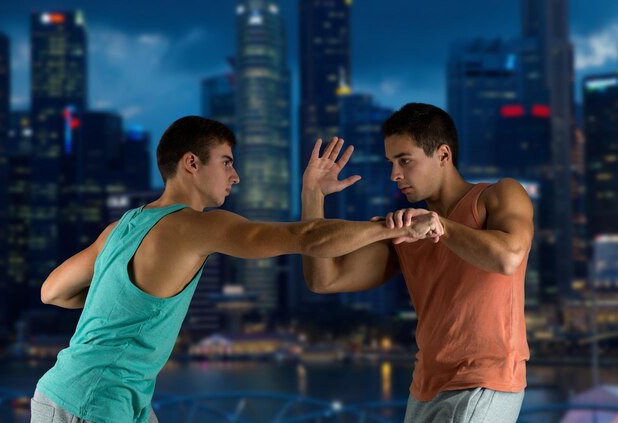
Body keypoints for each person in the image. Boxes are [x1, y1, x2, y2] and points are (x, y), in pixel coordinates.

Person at [31, 116, 442, 423]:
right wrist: (395, 228)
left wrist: (120, 299)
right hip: (96, 403)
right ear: (191, 163)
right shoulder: (200, 225)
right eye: (226, 162)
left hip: (74, 393)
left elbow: (53, 291)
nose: (236, 176)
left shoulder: (120, 228)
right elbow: (309, 239)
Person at [301, 103, 533, 423]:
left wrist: (439, 225)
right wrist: (312, 196)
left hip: (485, 380)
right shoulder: (404, 230)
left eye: (405, 161)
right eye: (391, 163)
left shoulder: (499, 195)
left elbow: (509, 257)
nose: (395, 175)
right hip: (424, 387)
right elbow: (323, 280)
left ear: (443, 155)